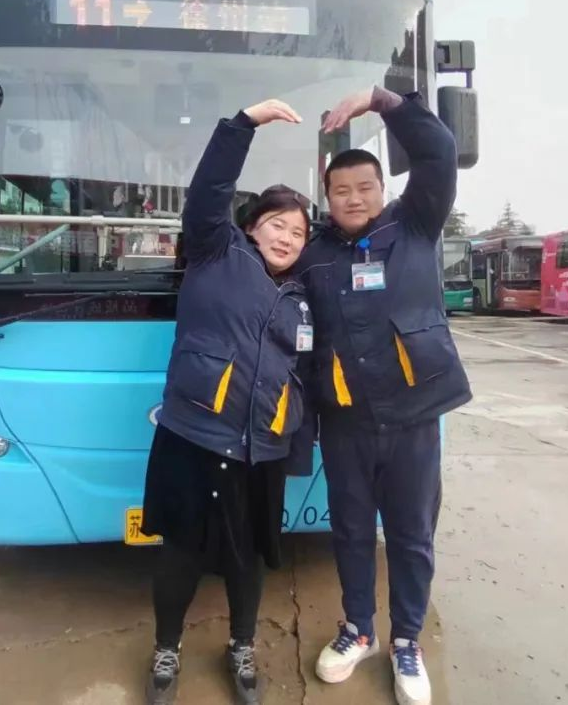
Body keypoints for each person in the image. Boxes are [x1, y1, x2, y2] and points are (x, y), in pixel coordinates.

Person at [298, 86, 472, 705]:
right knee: (348, 530)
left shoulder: (415, 222)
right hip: (344, 421)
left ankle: (405, 639)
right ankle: (358, 629)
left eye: (364, 188)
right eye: (341, 190)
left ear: (381, 189)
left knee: (410, 533)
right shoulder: (313, 254)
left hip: (412, 419)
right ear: (327, 198)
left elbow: (438, 151)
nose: (354, 198)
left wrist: (380, 100)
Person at [141, 98, 317, 705]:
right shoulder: (216, 250)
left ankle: (241, 646)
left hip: (260, 451)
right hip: (193, 437)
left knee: (248, 560)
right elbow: (208, 193)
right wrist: (243, 126)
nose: (287, 238)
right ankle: (167, 648)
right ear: (252, 226)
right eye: (278, 225)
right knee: (180, 553)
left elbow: (302, 374)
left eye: (298, 232)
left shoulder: (301, 297)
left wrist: (294, 442)